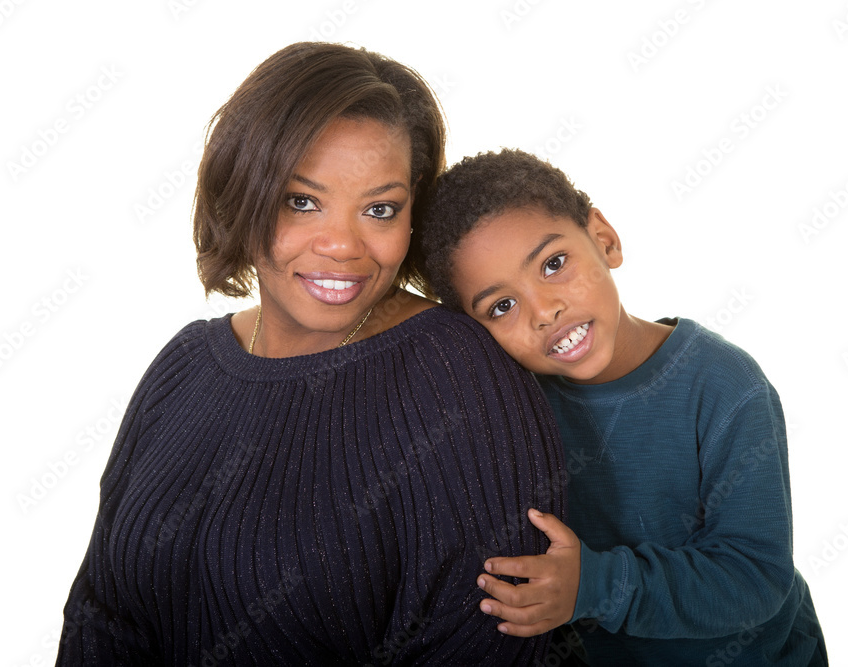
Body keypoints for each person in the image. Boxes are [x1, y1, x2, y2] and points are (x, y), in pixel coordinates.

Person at [55, 45, 566, 666]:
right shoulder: (183, 365)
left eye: (380, 209)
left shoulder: (460, 380)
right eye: (302, 201)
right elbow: (99, 614)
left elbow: (484, 648)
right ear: (242, 192)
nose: (342, 246)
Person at [416, 148, 829, 665]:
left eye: (553, 264)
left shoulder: (725, 385)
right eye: (502, 306)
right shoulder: (515, 408)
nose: (544, 312)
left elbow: (756, 577)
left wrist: (594, 584)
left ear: (604, 239)